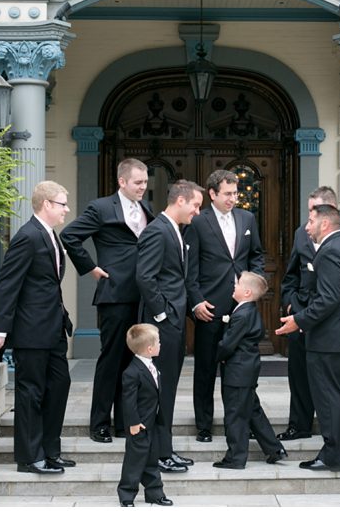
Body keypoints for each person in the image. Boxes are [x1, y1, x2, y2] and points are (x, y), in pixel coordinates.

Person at [0, 181, 76, 474]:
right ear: (47, 204)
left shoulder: (50, 235)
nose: (67, 209)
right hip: (31, 331)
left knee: (59, 387)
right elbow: (7, 285)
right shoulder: (27, 236)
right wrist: (0, 331)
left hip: (54, 329)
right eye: (62, 204)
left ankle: (50, 451)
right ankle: (29, 457)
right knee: (31, 394)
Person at [61, 158, 154, 444]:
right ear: (122, 181)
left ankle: (124, 422)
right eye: (138, 182)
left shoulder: (146, 208)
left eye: (145, 182)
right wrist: (90, 267)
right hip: (114, 294)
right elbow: (69, 235)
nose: (143, 187)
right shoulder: (101, 207)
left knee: (133, 360)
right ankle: (100, 423)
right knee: (111, 359)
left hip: (142, 294)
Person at [275, 203, 340, 472]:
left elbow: (328, 298)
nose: (307, 227)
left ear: (325, 224)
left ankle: (332, 456)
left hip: (330, 339)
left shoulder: (330, 251)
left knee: (329, 397)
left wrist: (298, 320)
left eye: (311, 221)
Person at [184, 170, 264, 443]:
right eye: (227, 193)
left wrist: (254, 286)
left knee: (242, 369)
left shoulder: (247, 218)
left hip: (241, 307)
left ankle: (244, 422)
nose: (233, 198)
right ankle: (204, 425)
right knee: (205, 368)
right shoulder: (198, 221)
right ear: (212, 194)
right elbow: (190, 267)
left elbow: (256, 256)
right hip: (209, 307)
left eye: (235, 193)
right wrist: (195, 301)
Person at [136, 179, 203, 473]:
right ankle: (159, 455)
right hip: (161, 325)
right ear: (180, 200)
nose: (197, 212)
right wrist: (163, 314)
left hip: (173, 323)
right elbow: (145, 277)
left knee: (168, 390)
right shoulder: (157, 231)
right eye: (196, 205)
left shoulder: (175, 230)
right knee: (159, 392)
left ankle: (166, 450)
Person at [213, 272, 288, 469]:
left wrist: (217, 355)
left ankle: (235, 458)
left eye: (237, 283)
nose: (234, 286)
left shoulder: (242, 315)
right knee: (253, 410)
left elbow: (228, 344)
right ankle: (274, 449)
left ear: (246, 292)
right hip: (247, 370)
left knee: (235, 414)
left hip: (238, 372)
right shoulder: (248, 310)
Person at [117, 324, 173, 507]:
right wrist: (133, 423)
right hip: (139, 425)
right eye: (158, 342)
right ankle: (126, 494)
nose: (161, 344)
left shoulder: (151, 365)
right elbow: (128, 401)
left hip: (152, 423)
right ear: (150, 349)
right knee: (134, 461)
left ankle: (155, 493)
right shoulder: (132, 372)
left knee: (151, 460)